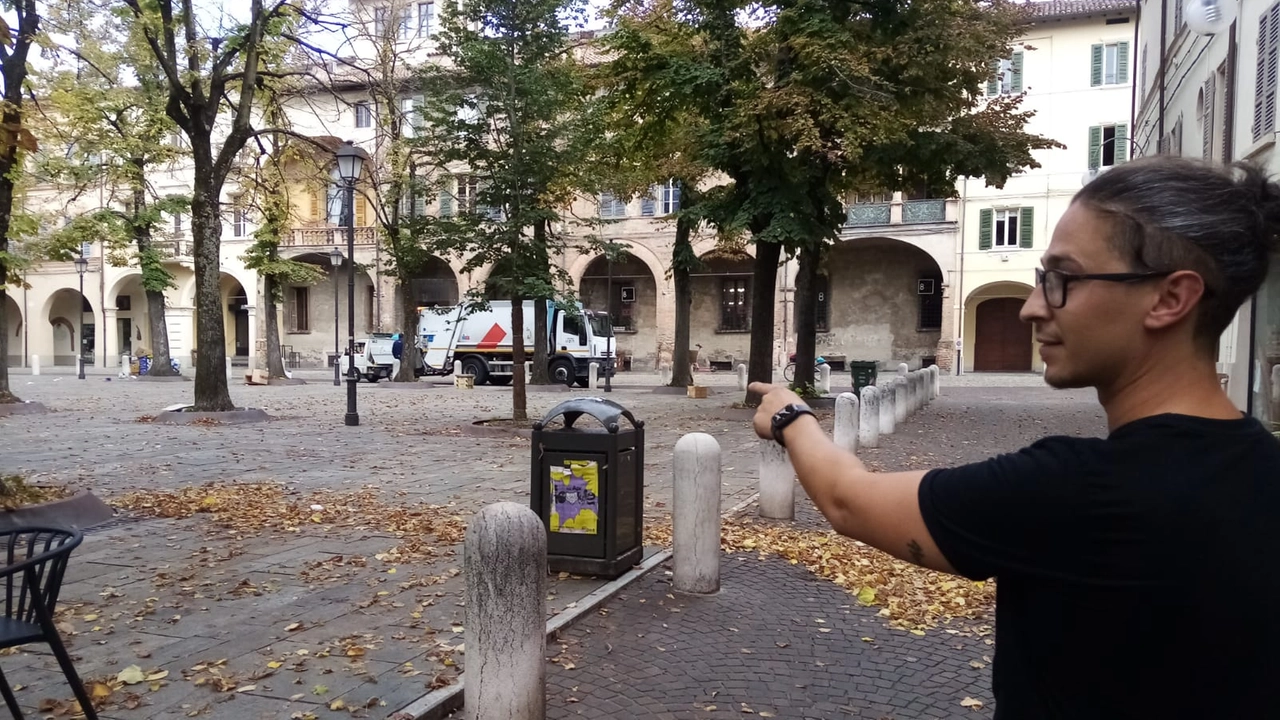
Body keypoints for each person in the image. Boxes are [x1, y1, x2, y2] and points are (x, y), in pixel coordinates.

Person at [751, 157, 1280, 719]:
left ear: (1170, 298)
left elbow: (847, 500)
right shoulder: (1264, 468)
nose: (1032, 307)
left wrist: (791, 417)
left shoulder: (1079, 492)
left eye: (1062, 280)